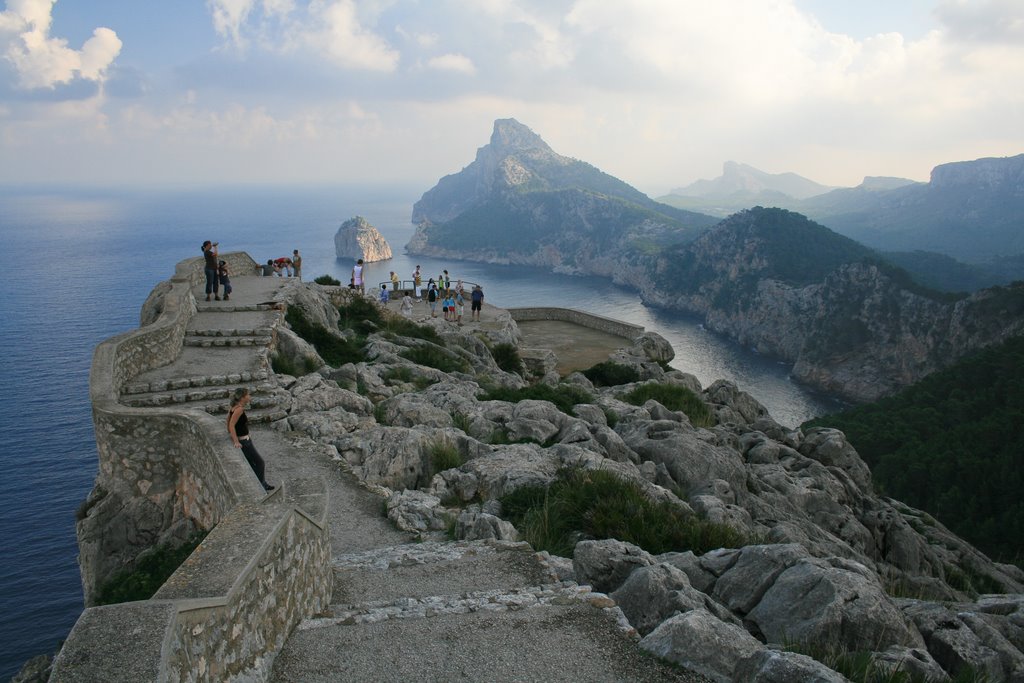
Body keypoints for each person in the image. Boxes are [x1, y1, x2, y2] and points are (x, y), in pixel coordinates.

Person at [227, 388, 274, 492]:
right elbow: (231, 424)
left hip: (245, 440)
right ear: (243, 397)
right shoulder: (239, 409)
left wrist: (230, 434)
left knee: (252, 464)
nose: (250, 396)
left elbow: (228, 420)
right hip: (244, 441)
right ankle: (261, 487)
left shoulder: (234, 407)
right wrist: (236, 441)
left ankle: (262, 484)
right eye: (248, 395)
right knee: (260, 462)